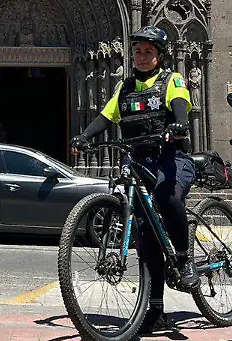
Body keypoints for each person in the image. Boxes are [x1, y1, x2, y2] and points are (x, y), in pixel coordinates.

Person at [70, 26, 198, 334]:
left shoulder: (172, 81)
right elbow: (106, 116)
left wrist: (178, 124)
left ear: (159, 56)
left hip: (172, 159)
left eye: (148, 52)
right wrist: (85, 137)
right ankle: (154, 310)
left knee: (168, 198)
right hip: (140, 161)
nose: (142, 57)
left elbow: (180, 105)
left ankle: (184, 258)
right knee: (145, 237)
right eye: (138, 51)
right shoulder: (124, 89)